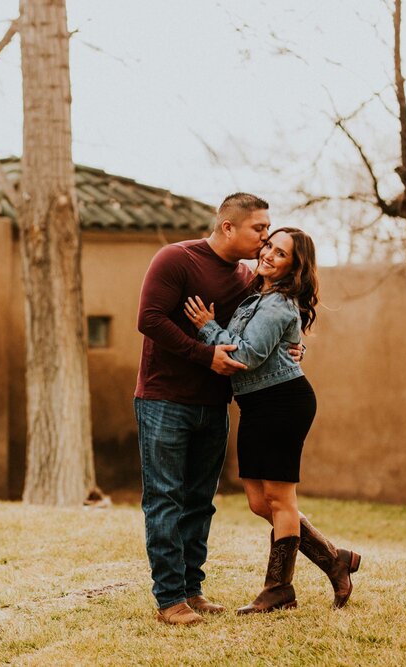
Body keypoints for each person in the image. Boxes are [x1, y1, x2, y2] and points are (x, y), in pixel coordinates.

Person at [135, 192, 304, 626]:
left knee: (199, 501)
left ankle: (193, 589)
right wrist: (203, 354)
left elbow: (270, 314)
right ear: (228, 227)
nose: (265, 238)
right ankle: (170, 599)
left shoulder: (247, 276)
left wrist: (292, 344)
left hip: (215, 402)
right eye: (259, 229)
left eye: (269, 230)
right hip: (164, 399)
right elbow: (150, 320)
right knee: (165, 500)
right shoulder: (175, 259)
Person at [183, 227, 361, 614]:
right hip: (256, 405)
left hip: (283, 404)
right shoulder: (257, 295)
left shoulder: (279, 303)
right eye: (268, 246)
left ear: (293, 268)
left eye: (280, 254)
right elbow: (277, 342)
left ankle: (279, 590)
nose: (268, 254)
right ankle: (335, 560)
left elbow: (245, 355)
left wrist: (207, 328)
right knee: (260, 502)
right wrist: (294, 344)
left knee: (280, 499)